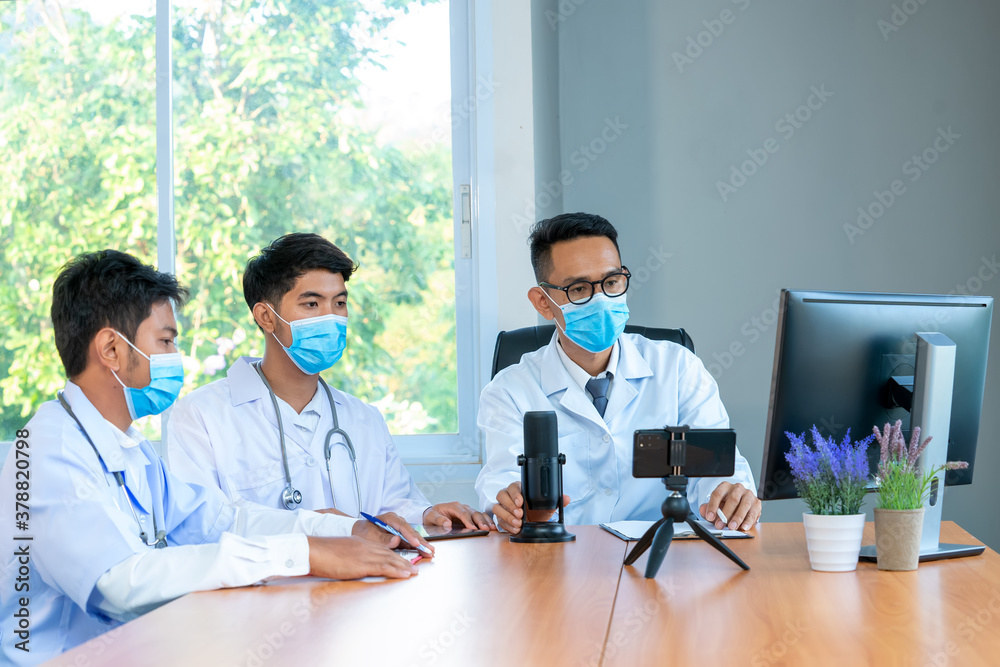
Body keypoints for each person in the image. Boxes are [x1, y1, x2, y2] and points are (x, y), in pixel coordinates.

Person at [0, 250, 429, 666]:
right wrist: (303, 554)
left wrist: (345, 530)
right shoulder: (47, 451)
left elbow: (221, 520)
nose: (175, 358)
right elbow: (119, 582)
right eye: (165, 341)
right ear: (111, 349)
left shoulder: (128, 447)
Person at [166, 233, 493, 531]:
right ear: (266, 317)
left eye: (339, 303)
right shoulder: (201, 416)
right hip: (260, 592)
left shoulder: (363, 418)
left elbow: (393, 507)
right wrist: (316, 526)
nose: (332, 317)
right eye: (312, 304)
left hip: (361, 589)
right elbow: (199, 527)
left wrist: (426, 515)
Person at [475, 213, 762, 534]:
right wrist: (510, 501)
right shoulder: (510, 391)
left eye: (611, 282)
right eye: (579, 289)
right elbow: (502, 476)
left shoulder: (678, 368)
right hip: (563, 559)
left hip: (664, 555)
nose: (601, 300)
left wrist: (727, 495)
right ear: (543, 302)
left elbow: (715, 468)